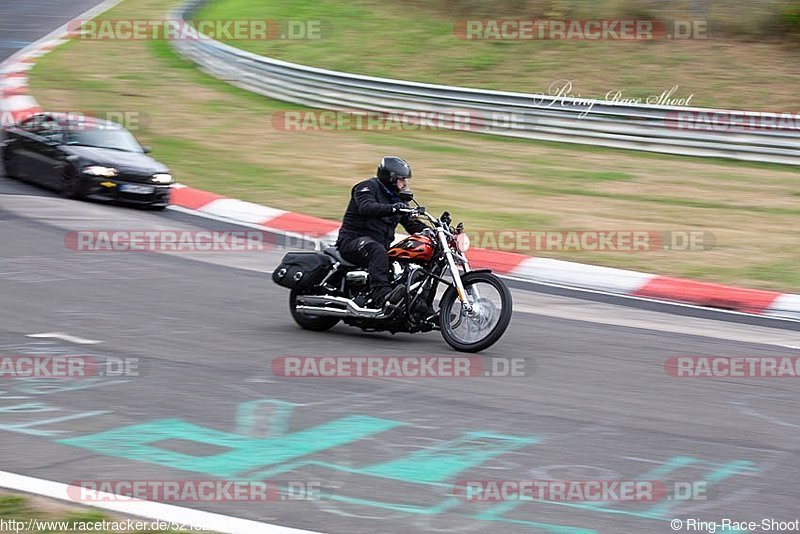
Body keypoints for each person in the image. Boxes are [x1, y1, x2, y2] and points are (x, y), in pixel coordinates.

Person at [336, 156, 427, 310]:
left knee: (411, 256)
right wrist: (393, 208)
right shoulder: (366, 188)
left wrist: (433, 231)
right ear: (390, 179)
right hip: (352, 242)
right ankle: (383, 297)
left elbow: (410, 224)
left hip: (379, 247)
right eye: (401, 179)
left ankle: (420, 305)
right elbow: (367, 207)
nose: (405, 184)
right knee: (377, 250)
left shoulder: (398, 199)